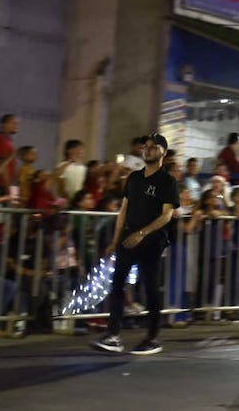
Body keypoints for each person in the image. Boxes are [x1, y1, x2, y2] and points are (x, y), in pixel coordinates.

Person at [92, 133, 178, 356]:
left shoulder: (167, 181)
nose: (148, 149)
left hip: (152, 241)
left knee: (150, 288)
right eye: (146, 146)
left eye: (154, 147)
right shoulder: (134, 178)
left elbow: (167, 215)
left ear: (164, 153)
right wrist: (115, 240)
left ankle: (152, 337)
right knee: (117, 284)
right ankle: (113, 335)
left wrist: (143, 233)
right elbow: (123, 210)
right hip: (127, 240)